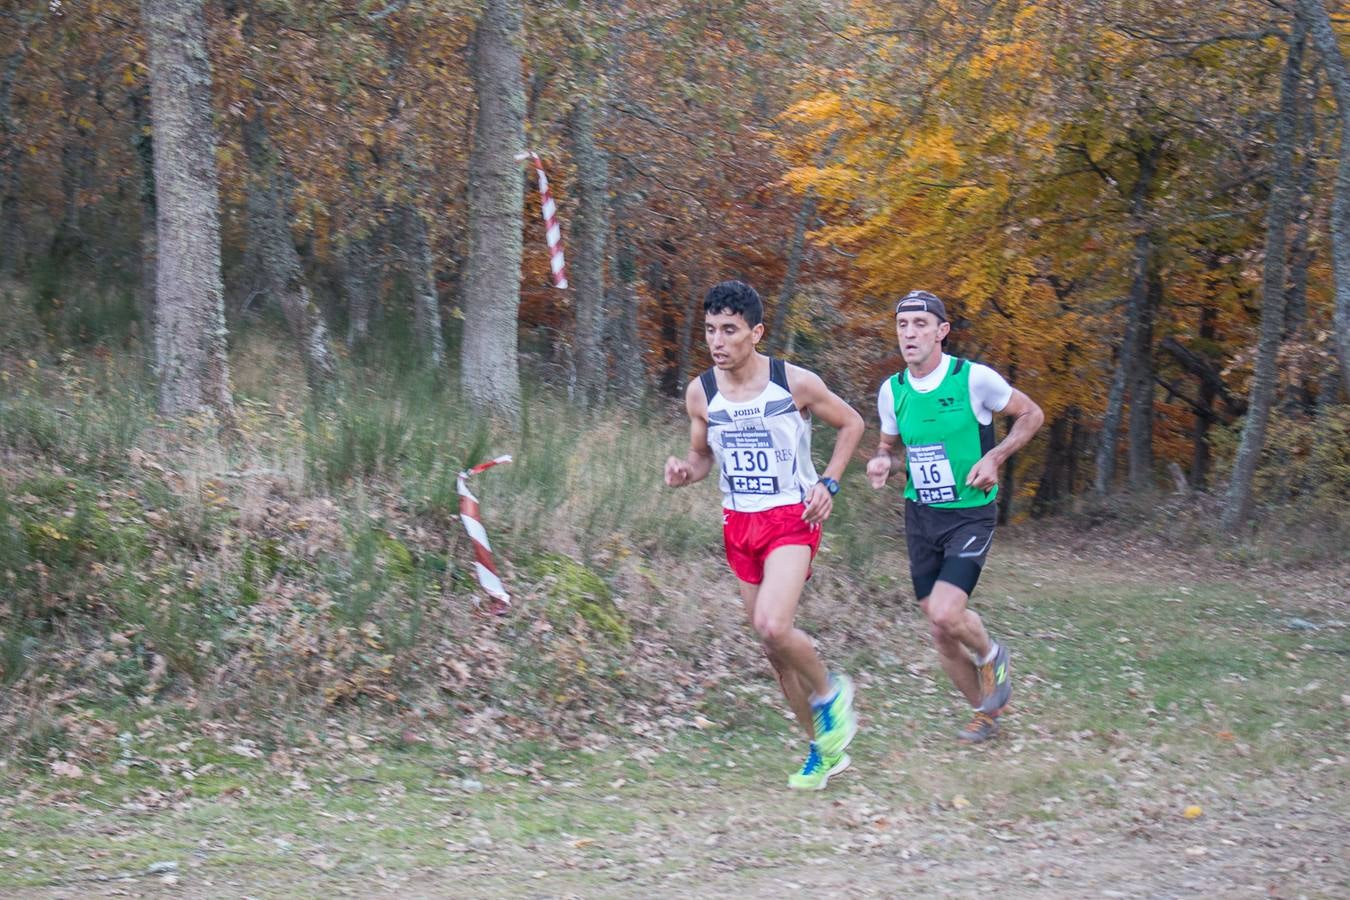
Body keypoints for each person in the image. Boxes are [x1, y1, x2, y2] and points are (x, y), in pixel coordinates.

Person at [665, 280, 866, 790]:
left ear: (756, 332)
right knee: (772, 651)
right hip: (739, 523)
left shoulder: (792, 382)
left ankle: (830, 693)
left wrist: (830, 481)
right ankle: (823, 749)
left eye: (729, 330)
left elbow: (852, 424)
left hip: (790, 518)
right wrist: (686, 471)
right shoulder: (701, 391)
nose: (718, 341)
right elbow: (702, 454)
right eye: (710, 330)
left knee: (774, 625)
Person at [866, 290, 1044, 743]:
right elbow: (889, 446)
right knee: (940, 629)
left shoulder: (973, 379)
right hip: (921, 514)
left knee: (947, 612)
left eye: (921, 324)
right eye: (903, 324)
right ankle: (985, 715)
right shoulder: (893, 390)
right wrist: (884, 461)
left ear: (942, 331)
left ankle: (990, 653)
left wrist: (996, 458)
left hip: (969, 514)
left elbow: (1031, 414)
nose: (910, 333)